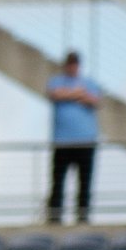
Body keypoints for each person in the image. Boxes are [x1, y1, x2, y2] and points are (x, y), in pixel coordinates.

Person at [45, 50, 102, 221]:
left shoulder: (89, 83)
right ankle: (55, 217)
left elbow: (95, 100)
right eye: (70, 63)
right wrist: (76, 94)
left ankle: (83, 216)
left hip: (85, 141)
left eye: (75, 63)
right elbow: (54, 94)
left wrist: (71, 94)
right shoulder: (56, 81)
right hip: (62, 142)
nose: (72, 66)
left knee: (84, 182)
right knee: (58, 181)